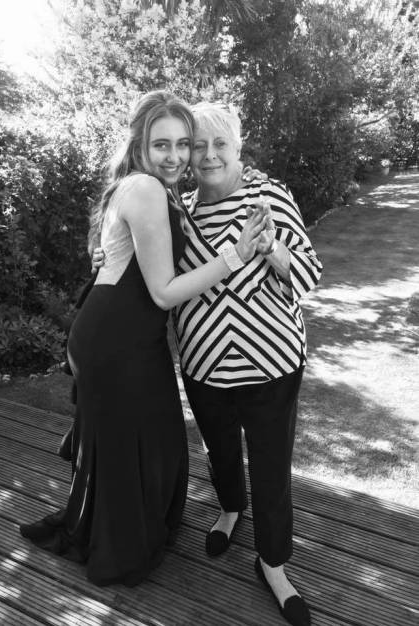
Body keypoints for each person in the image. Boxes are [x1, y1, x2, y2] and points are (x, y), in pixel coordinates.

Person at [19, 91, 264, 587]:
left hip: (120, 333)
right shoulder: (148, 189)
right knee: (138, 444)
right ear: (140, 145)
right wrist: (235, 257)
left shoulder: (142, 186)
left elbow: (112, 255)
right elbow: (164, 291)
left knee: (148, 439)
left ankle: (120, 529)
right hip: (119, 340)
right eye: (162, 145)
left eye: (183, 144)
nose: (175, 156)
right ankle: (122, 548)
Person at [173, 102, 322, 626]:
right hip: (203, 363)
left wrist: (274, 249)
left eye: (221, 144)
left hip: (272, 363)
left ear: (238, 147)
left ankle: (273, 562)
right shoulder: (179, 209)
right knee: (219, 451)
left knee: (271, 465)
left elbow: (309, 273)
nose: (209, 155)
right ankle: (230, 508)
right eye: (198, 145)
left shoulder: (269, 195)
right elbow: (160, 278)